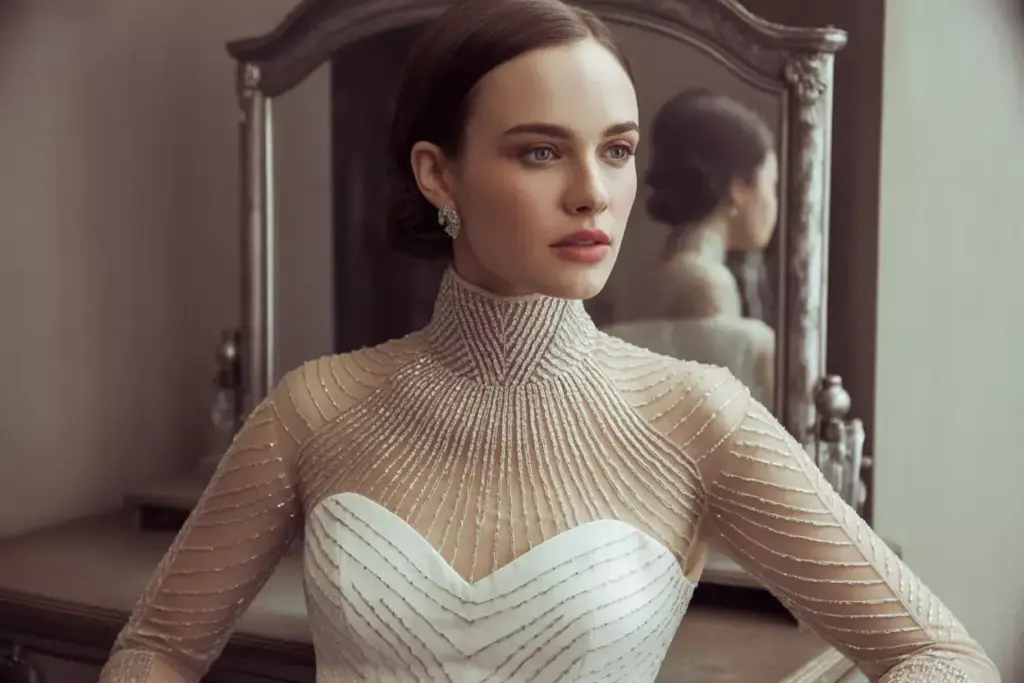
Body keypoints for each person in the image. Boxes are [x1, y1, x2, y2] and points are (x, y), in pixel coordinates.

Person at [99, 1, 999, 681]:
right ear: (438, 172)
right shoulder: (316, 408)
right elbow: (157, 646)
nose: (593, 192)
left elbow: (942, 656)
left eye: (617, 150)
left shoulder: (695, 415)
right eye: (540, 151)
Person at [603, 91, 778, 405]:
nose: (772, 203)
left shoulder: (651, 275)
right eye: (771, 185)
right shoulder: (705, 285)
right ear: (738, 188)